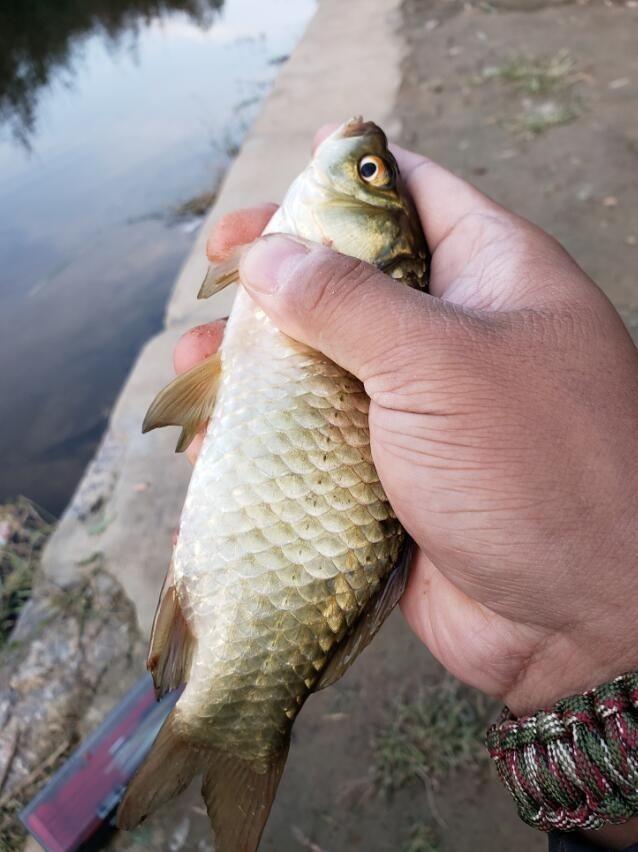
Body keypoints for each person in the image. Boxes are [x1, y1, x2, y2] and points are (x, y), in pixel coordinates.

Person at [174, 130, 638, 850]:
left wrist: (585, 644)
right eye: (369, 170)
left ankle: (230, 726)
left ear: (376, 252)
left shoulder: (319, 280)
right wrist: (584, 645)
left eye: (366, 174)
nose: (362, 163)